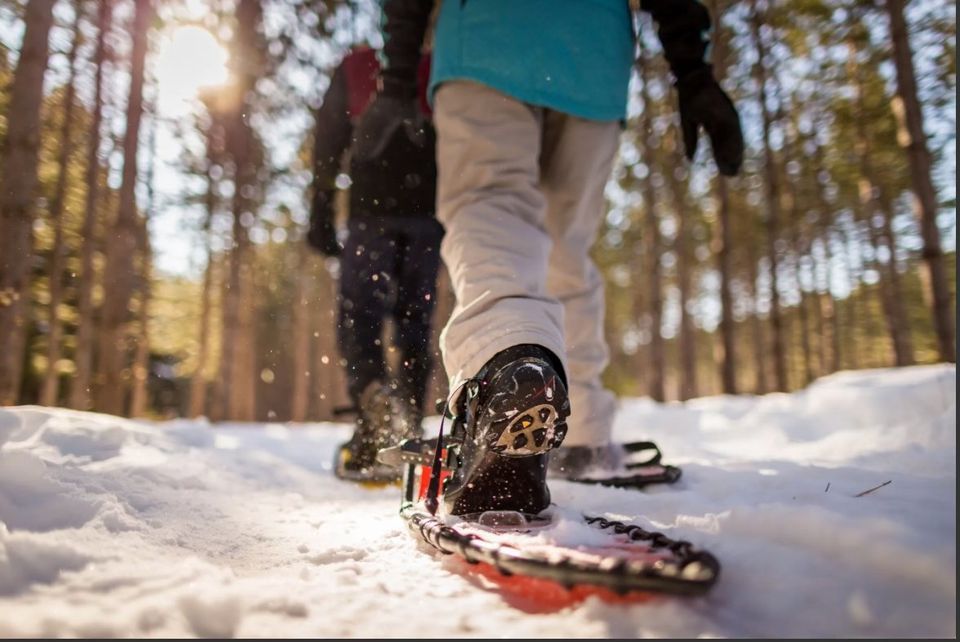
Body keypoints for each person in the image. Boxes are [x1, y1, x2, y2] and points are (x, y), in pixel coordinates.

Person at [355, 0, 743, 514]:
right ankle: (580, 434)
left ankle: (507, 373)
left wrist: (397, 78)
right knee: (567, 247)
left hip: (485, 41)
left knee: (490, 207)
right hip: (592, 58)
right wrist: (692, 71)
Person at [307, 44, 442, 480]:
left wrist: (321, 206)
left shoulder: (359, 65)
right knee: (415, 323)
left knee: (359, 317)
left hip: (371, 214)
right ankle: (408, 425)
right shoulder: (439, 64)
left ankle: (373, 415)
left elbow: (329, 138)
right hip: (427, 218)